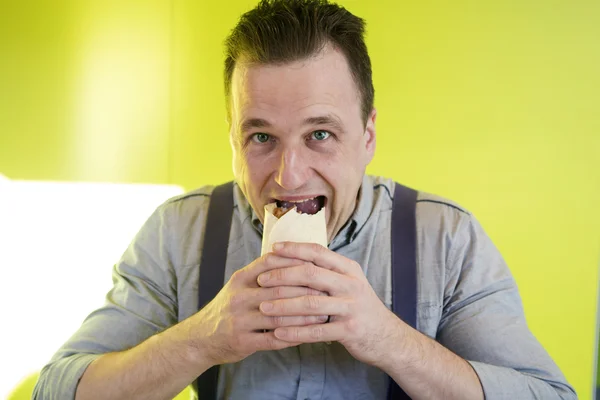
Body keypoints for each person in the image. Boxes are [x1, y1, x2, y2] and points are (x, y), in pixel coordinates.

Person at [33, 1, 576, 399]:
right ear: (234, 143)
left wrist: (384, 336)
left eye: (320, 134)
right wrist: (203, 339)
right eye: (262, 137)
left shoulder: (446, 239)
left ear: (367, 137)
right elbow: (55, 391)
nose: (289, 176)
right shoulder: (181, 233)